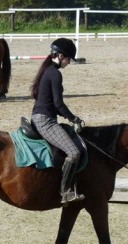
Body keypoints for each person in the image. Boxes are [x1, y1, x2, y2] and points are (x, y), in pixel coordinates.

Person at [31, 38, 85, 205]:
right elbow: (58, 104)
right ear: (60, 56)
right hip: (45, 121)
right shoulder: (55, 74)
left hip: (43, 116)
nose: (69, 62)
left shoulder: (47, 70)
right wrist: (74, 118)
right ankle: (65, 191)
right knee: (74, 152)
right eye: (68, 59)